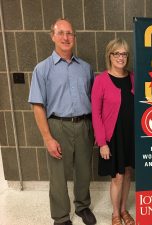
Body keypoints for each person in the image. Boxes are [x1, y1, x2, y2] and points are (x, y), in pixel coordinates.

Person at [28, 18, 96, 225]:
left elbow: (92, 97)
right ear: (53, 36)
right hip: (57, 126)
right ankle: (60, 216)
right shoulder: (42, 69)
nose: (66, 38)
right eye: (61, 33)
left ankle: (82, 206)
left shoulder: (85, 68)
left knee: (84, 170)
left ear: (74, 38)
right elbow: (38, 105)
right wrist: (48, 137)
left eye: (70, 33)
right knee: (57, 175)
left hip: (84, 124)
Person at [91, 38, 135, 225]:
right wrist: (102, 143)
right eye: (116, 53)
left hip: (131, 134)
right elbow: (96, 113)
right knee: (117, 177)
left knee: (127, 173)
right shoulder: (101, 80)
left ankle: (124, 209)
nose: (120, 57)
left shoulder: (133, 77)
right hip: (113, 136)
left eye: (124, 53)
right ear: (109, 55)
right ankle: (115, 213)